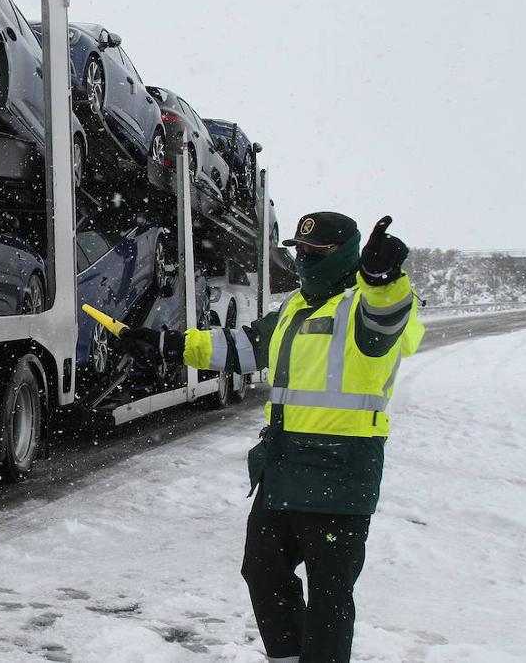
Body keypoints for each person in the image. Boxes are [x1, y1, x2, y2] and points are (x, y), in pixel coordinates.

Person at [116, 212, 424, 663]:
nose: (305, 261)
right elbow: (241, 347)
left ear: (346, 254)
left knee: (329, 599)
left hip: (341, 475)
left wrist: (383, 279)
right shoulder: (294, 310)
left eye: (317, 253)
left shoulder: (365, 306)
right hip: (283, 468)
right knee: (261, 571)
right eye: (300, 253)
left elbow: (385, 321)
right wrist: (168, 345)